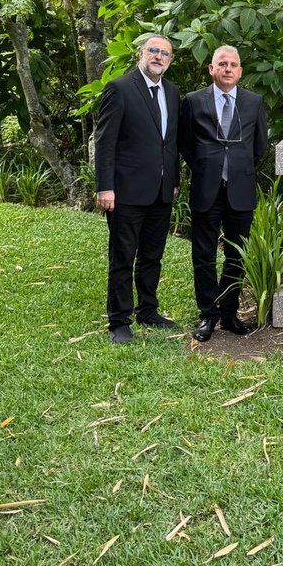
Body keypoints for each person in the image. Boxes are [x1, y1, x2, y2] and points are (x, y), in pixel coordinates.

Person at [94, 33, 181, 345]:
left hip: (160, 192)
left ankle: (148, 310)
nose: (158, 56)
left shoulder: (171, 92)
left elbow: (170, 143)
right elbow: (105, 143)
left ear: (169, 62)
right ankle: (119, 321)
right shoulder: (119, 88)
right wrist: (105, 187)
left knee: (152, 256)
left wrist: (173, 182)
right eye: (153, 50)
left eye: (165, 54)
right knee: (122, 258)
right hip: (126, 192)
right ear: (141, 54)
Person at [180, 45, 268, 339]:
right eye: (222, 64)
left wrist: (237, 167)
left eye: (233, 64)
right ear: (211, 69)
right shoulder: (193, 101)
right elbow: (185, 144)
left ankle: (229, 315)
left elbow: (259, 147)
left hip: (240, 190)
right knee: (203, 254)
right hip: (207, 188)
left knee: (236, 255)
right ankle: (208, 315)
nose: (228, 68)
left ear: (240, 71)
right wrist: (208, 166)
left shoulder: (254, 102)